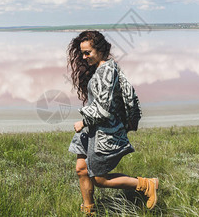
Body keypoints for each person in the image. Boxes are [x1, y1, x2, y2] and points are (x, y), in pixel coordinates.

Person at [67, 30, 158, 215]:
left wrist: (83, 122)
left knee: (100, 179)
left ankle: (146, 185)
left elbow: (104, 108)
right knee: (81, 169)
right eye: (82, 53)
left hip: (102, 131)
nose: (84, 57)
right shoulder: (101, 68)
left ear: (100, 50)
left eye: (87, 53)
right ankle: (89, 211)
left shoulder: (106, 71)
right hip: (94, 129)